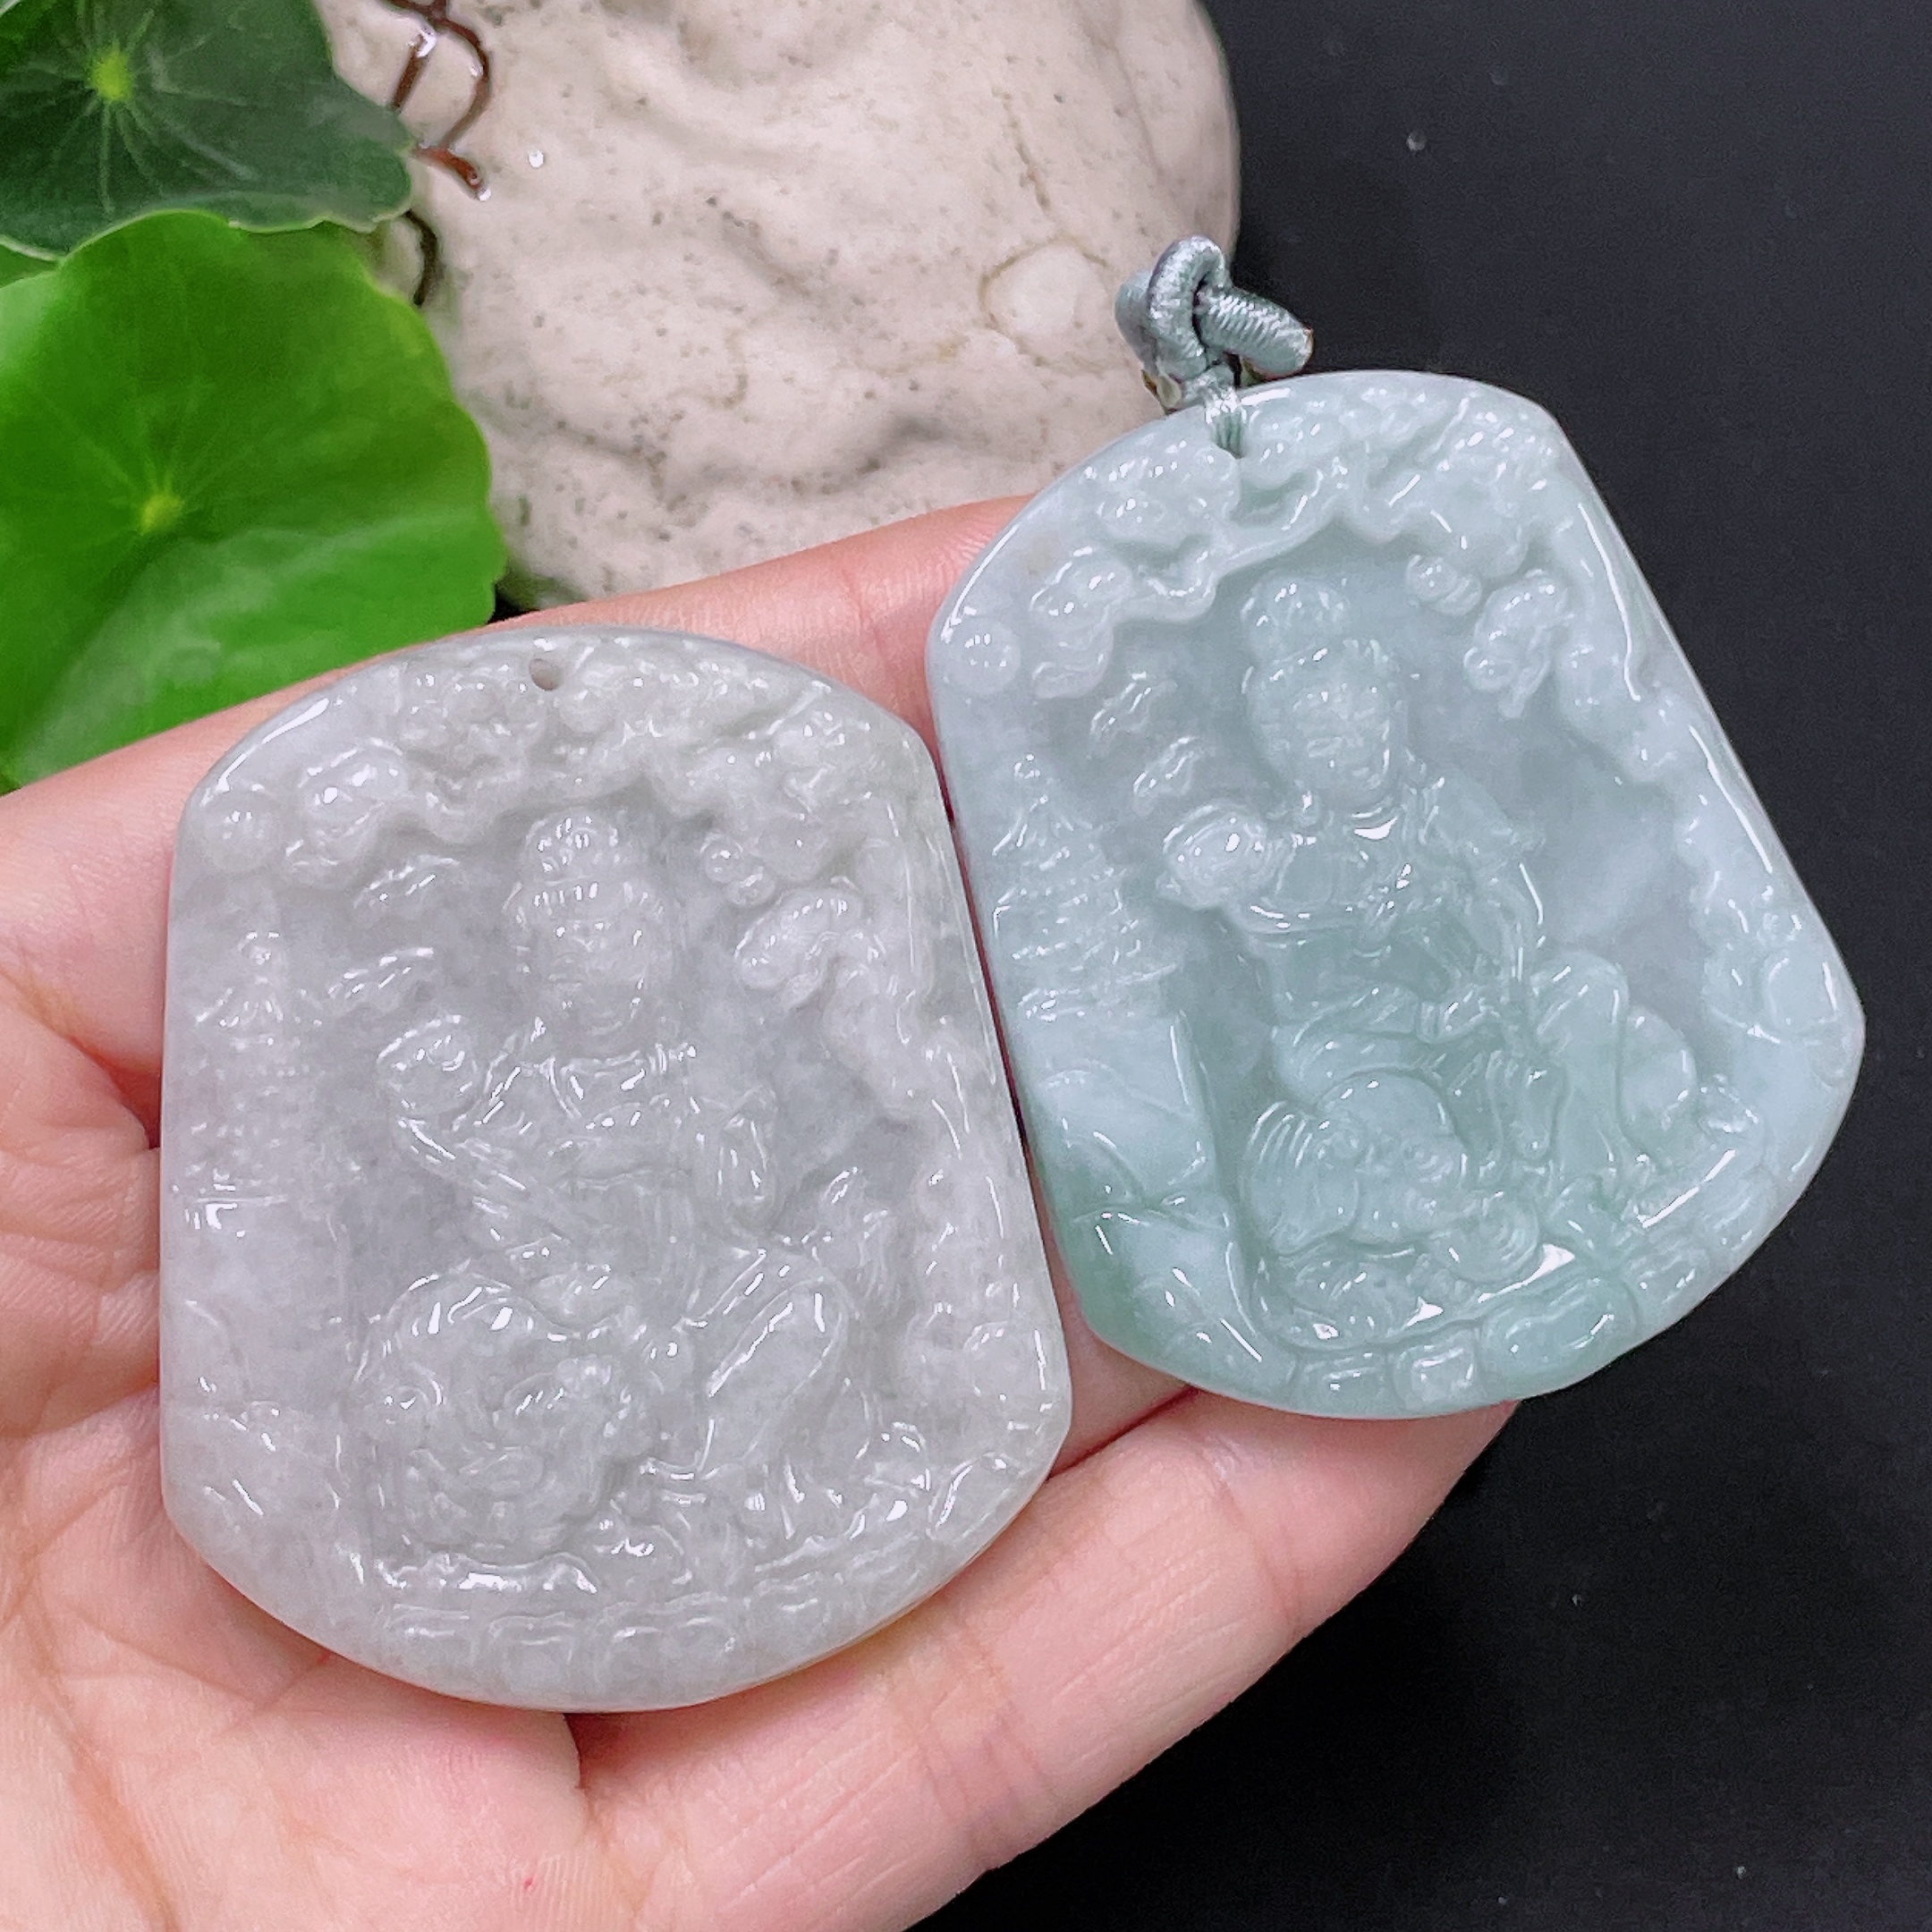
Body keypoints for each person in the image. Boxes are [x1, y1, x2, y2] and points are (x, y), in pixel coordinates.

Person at [0, 503, 1505, 1928]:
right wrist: (566, 1269)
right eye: (572, 929)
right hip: (563, 1320)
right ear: (529, 953)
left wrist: (742, 1229)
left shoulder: (687, 1072)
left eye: (625, 920)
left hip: (696, 1304)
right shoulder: (517, 1087)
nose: (607, 948)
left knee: (804, 1306)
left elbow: (735, 1199)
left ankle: (704, 1494)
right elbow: (505, 1217)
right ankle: (615, 1481)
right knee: (475, 1360)